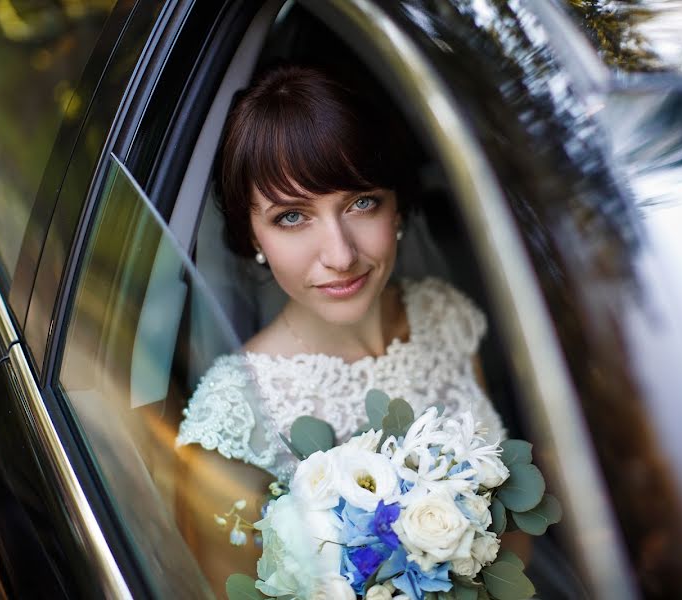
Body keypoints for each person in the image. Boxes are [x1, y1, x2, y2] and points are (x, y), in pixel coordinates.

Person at [176, 63, 504, 480]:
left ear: (397, 207)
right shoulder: (235, 415)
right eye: (292, 217)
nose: (341, 256)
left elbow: (506, 514)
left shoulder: (444, 315)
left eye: (362, 203)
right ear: (253, 235)